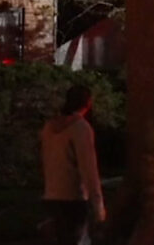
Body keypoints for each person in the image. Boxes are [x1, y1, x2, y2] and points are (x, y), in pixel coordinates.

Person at [40, 85, 106, 245]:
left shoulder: (49, 128)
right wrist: (98, 208)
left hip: (51, 196)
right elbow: (88, 169)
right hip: (73, 200)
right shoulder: (81, 128)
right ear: (88, 103)